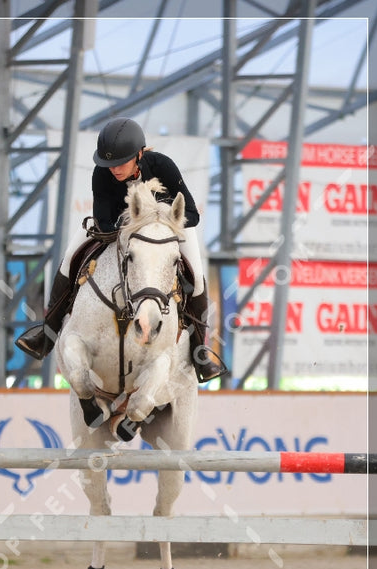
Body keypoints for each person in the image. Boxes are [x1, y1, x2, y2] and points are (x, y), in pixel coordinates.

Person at [16, 117, 226, 382]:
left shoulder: (163, 166)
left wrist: (156, 217)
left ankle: (200, 351)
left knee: (195, 277)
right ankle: (46, 334)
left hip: (165, 228)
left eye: (121, 162)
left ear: (139, 154)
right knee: (70, 257)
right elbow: (103, 220)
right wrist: (132, 222)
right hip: (118, 229)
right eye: (109, 163)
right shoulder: (101, 173)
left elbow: (192, 215)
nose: (114, 169)